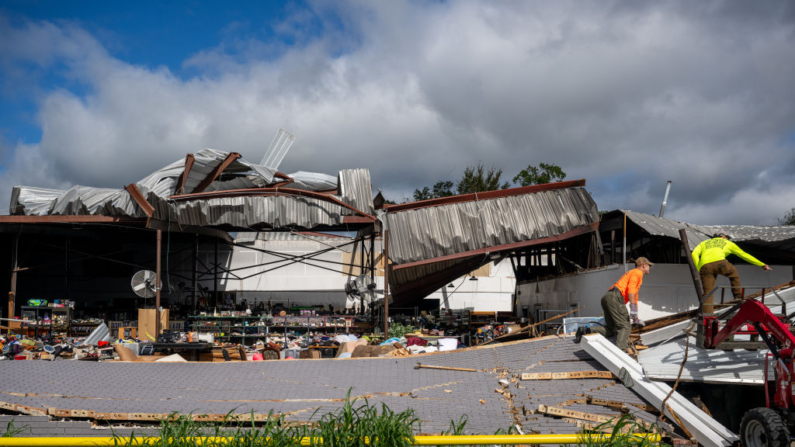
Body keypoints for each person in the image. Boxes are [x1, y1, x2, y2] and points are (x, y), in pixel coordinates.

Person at [575, 257, 653, 351]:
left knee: (612, 329)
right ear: (643, 266)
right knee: (625, 326)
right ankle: (620, 353)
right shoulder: (637, 273)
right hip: (615, 298)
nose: (650, 268)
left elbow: (634, 297)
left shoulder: (633, 274)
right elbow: (631, 290)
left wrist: (635, 318)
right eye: (649, 266)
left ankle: (586, 330)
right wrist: (632, 310)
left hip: (607, 297)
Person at [691, 232, 772, 314]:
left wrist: (699, 268)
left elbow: (694, 253)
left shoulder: (703, 243)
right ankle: (738, 297)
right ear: (723, 237)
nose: (728, 239)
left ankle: (707, 316)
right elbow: (744, 255)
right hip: (721, 263)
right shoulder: (728, 243)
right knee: (734, 275)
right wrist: (762, 264)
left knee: (708, 292)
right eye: (727, 238)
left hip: (705, 266)